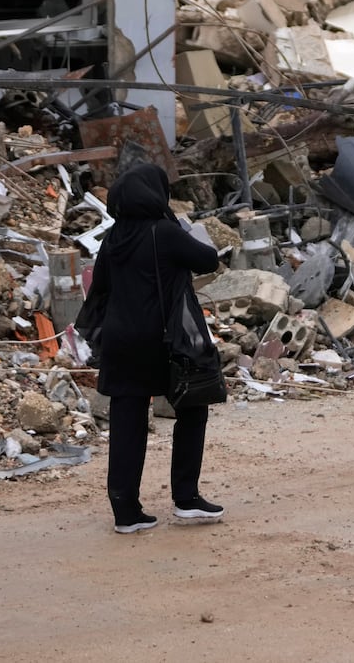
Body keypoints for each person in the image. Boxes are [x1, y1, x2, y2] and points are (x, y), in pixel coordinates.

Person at [82, 163, 222, 533]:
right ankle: (187, 498)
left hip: (118, 340)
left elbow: (103, 285)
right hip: (161, 339)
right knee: (192, 408)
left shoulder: (112, 239)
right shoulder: (165, 232)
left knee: (127, 423)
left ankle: (126, 511)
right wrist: (179, 225)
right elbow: (209, 259)